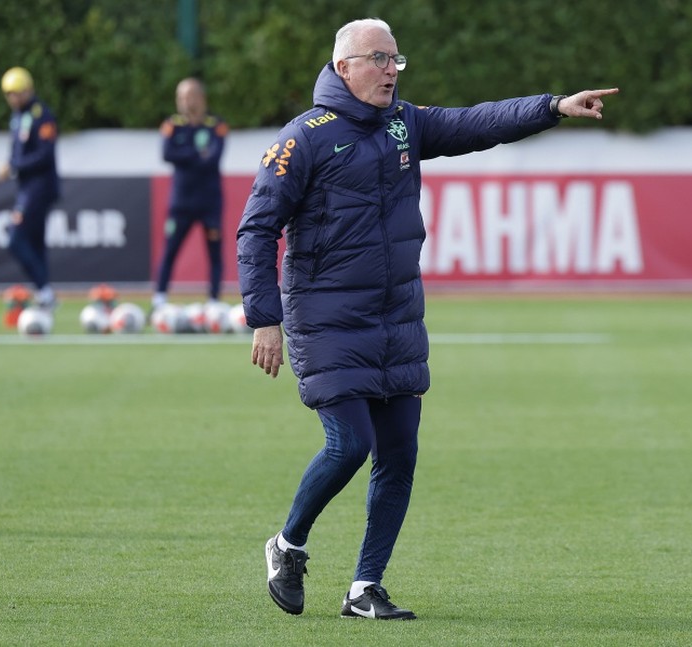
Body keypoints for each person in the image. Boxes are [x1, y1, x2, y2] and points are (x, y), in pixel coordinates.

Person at [236, 18, 618, 620]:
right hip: (326, 319)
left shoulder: (404, 124)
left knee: (400, 455)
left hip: (397, 318)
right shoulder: (302, 139)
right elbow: (256, 229)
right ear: (344, 68)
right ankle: (288, 545)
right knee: (349, 443)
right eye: (379, 59)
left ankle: (365, 588)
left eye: (396, 59)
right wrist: (264, 318)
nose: (391, 70)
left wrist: (552, 107)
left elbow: (477, 123)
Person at [153, 78, 228, 312]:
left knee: (214, 251)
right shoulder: (171, 125)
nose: (184, 102)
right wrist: (197, 154)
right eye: (180, 97)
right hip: (181, 202)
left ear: (200, 98)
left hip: (209, 201)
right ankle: (159, 300)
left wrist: (185, 154)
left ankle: (214, 301)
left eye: (188, 96)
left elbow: (213, 158)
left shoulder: (217, 125)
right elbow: (167, 154)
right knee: (170, 250)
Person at [0, 67, 61, 311]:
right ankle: (45, 296)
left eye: (18, 93)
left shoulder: (41, 115)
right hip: (26, 188)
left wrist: (12, 166)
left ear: (29, 90)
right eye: (9, 94)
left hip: (39, 188)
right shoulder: (17, 117)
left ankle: (44, 291)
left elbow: (44, 155)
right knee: (35, 243)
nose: (14, 98)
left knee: (16, 239)